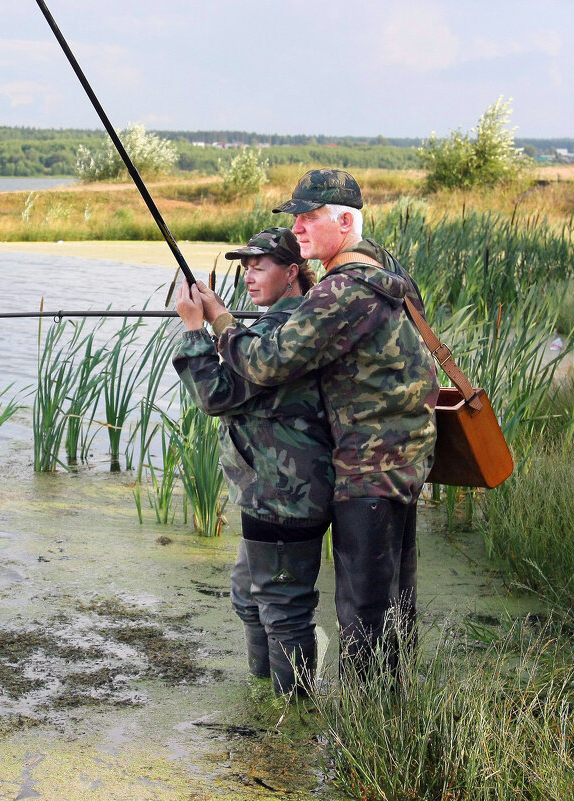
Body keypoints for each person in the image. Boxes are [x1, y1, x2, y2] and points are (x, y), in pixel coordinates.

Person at [189, 169, 439, 680]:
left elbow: (265, 363)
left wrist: (216, 322)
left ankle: (369, 735)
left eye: (310, 218)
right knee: (388, 607)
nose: (298, 227)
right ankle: (387, 721)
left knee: (365, 617)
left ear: (345, 221)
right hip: (397, 462)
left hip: (370, 467)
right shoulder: (379, 269)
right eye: (295, 218)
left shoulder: (345, 290)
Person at [173, 227, 333, 696]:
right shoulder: (273, 326)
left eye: (259, 266)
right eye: (244, 267)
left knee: (283, 608)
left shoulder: (285, 332)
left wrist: (193, 329)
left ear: (292, 271)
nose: (249, 276)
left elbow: (216, 395)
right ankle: (263, 694)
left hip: (288, 493)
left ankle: (292, 714)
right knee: (248, 597)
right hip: (265, 490)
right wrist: (219, 321)